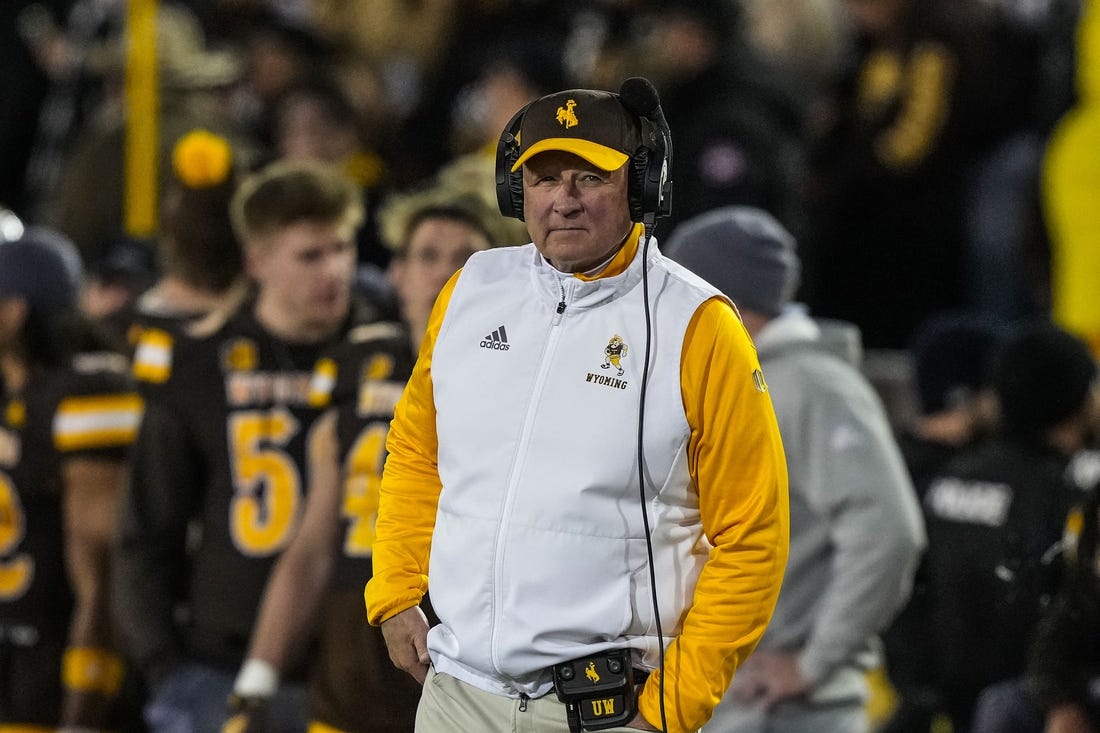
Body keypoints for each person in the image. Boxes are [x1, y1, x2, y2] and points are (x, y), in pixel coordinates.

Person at [365, 83, 790, 733]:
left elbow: (753, 535)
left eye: (590, 176)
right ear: (517, 192)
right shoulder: (473, 287)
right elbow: (418, 451)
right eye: (543, 178)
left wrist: (672, 708)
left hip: (604, 714)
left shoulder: (697, 326)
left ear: (642, 185)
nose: (563, 198)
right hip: (456, 697)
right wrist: (395, 592)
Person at [111, 159, 380, 733]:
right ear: (257, 261)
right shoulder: (197, 363)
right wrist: (164, 666)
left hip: (354, 669)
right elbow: (146, 532)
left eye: (341, 248)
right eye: (310, 255)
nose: (333, 270)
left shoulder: (383, 355)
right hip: (219, 666)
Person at [222, 191, 504, 732]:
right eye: (427, 256)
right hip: (349, 678)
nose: (444, 273)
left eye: (465, 258)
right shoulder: (360, 364)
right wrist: (256, 682)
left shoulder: (520, 376)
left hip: (464, 672)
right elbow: (312, 548)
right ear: (396, 274)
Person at [663, 206, 925, 733]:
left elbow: (888, 533)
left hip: (780, 715)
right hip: (725, 705)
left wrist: (811, 664)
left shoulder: (811, 386)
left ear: (722, 296)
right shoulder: (734, 378)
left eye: (677, 286)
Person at [920, 320, 1097, 732]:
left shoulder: (948, 478)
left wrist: (918, 689)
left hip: (947, 709)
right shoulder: (1070, 492)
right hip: (1041, 712)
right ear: (1073, 397)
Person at [0, 224, 143, 729]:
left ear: (15, 311)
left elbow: (101, 570)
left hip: (51, 666)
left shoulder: (87, 390)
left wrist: (84, 701)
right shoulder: (17, 392)